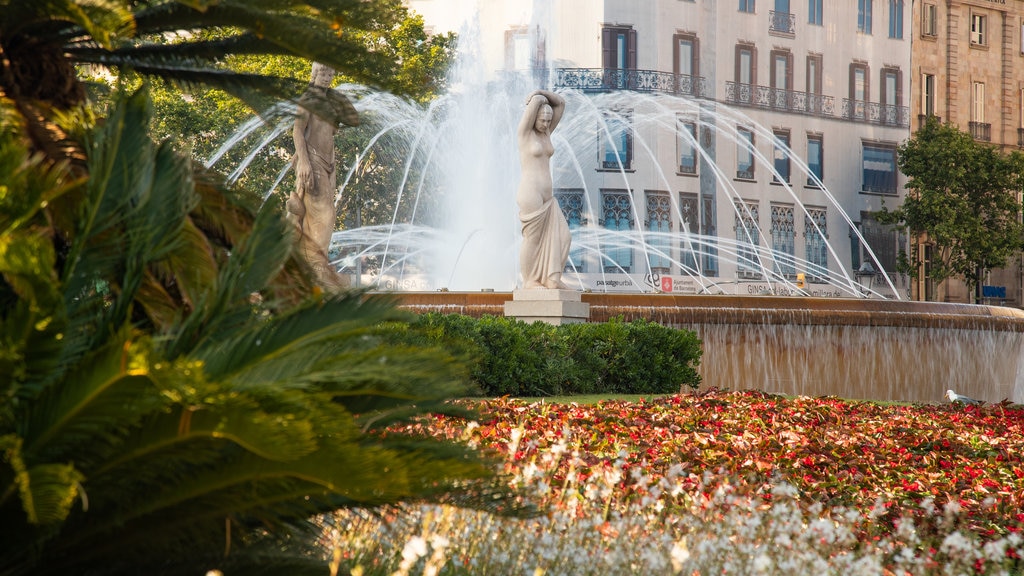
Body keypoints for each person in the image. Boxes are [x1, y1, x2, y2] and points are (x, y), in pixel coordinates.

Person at [286, 62, 357, 288]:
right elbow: (297, 130)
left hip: (329, 163)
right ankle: (316, 263)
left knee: (319, 215)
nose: (327, 77)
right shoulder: (308, 99)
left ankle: (312, 261)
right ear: (314, 74)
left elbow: (354, 120)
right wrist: (304, 161)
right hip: (313, 160)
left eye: (330, 74)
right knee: (325, 213)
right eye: (323, 73)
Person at [517, 89, 572, 289]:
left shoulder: (546, 133)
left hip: (548, 198)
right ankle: (530, 281)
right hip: (530, 192)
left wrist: (541, 92)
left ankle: (551, 279)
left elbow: (561, 104)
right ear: (534, 118)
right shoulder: (525, 134)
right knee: (533, 238)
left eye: (549, 121)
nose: (547, 124)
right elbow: (534, 106)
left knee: (565, 236)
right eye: (543, 120)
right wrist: (537, 98)